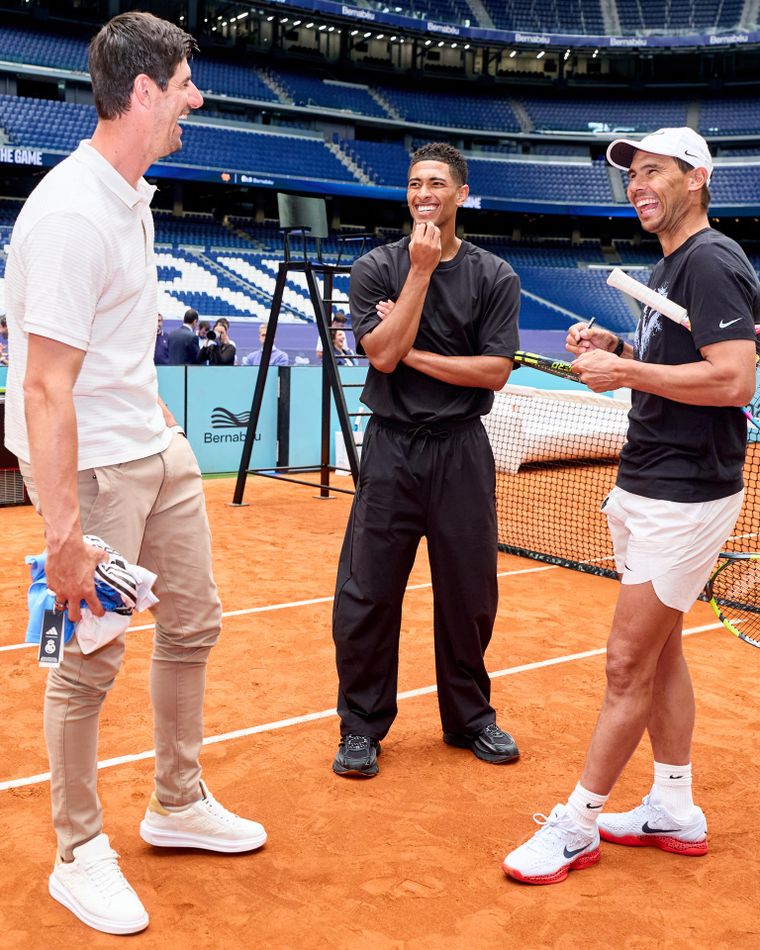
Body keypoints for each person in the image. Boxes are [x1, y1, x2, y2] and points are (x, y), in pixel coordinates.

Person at [3, 11, 266, 936]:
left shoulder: (131, 196)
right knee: (88, 659)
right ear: (145, 92)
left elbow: (100, 351)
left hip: (151, 448)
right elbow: (41, 387)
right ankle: (78, 854)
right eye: (186, 83)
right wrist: (64, 537)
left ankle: (177, 801)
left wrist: (154, 413)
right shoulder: (75, 213)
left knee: (194, 621)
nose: (196, 98)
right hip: (95, 472)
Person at [503, 127, 759, 885]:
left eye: (654, 171)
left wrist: (626, 375)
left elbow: (733, 381)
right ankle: (674, 806)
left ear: (697, 178)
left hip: (684, 492)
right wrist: (618, 347)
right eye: (631, 174)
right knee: (660, 650)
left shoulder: (711, 261)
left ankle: (577, 823)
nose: (637, 185)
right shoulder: (672, 265)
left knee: (624, 664)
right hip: (653, 480)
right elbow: (677, 366)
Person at [331, 142, 521, 778]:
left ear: (460, 193)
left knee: (469, 594)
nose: (423, 194)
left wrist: (410, 351)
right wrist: (418, 273)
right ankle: (361, 727)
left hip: (463, 452)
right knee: (367, 593)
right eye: (414, 184)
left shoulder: (495, 276)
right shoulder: (377, 269)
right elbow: (378, 356)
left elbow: (493, 372)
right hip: (390, 449)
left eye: (436, 183)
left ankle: (469, 718)